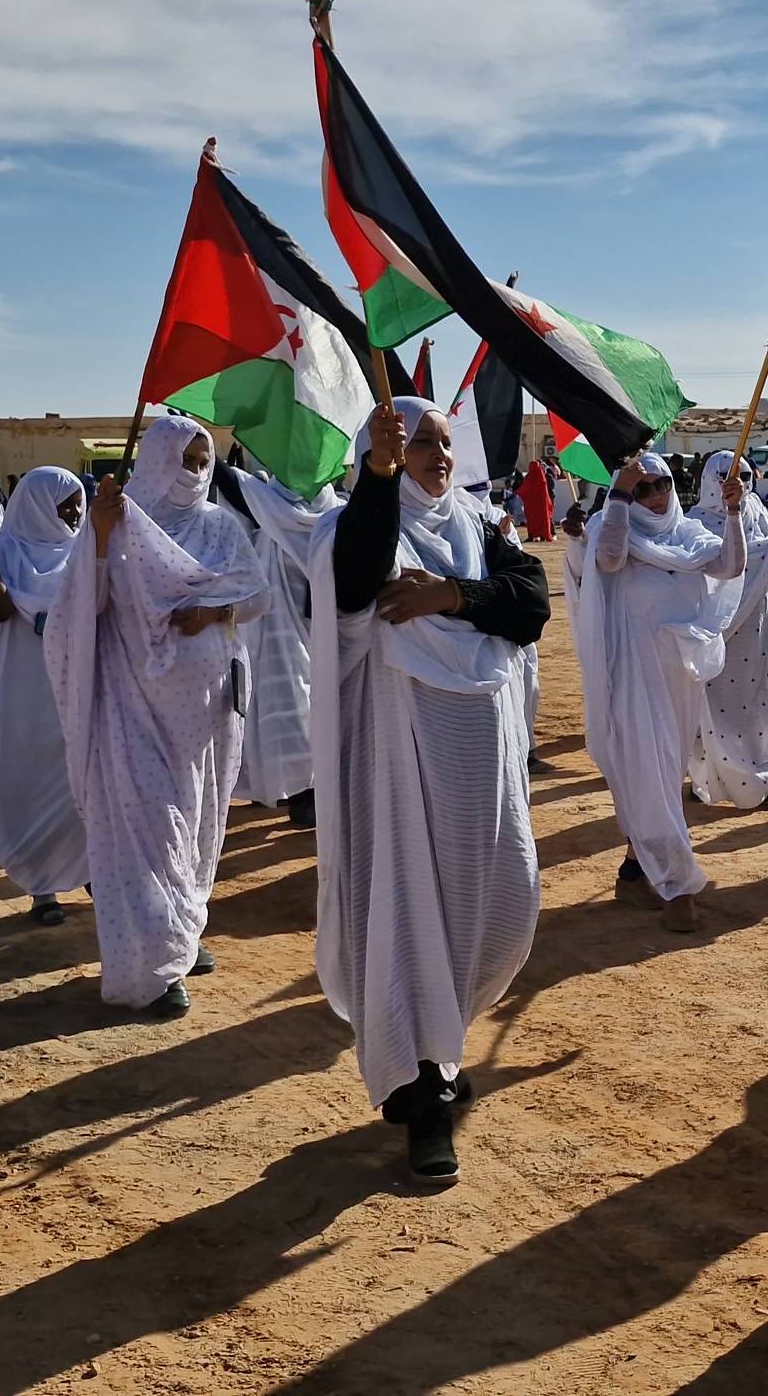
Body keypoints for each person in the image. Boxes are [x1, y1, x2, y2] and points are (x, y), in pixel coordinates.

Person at [312, 399, 550, 1184]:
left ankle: (438, 1044)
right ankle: (423, 1093)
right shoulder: (351, 526)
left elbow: (531, 604)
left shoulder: (478, 529)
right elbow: (355, 578)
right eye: (418, 444)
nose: (436, 455)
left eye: (444, 443)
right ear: (382, 452)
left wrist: (452, 597)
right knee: (410, 915)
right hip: (400, 763)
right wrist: (378, 479)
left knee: (504, 908)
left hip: (482, 765)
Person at [48, 415, 266, 1019]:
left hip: (207, 714)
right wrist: (96, 536)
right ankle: (153, 967)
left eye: (203, 462)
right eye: (185, 460)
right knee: (147, 827)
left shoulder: (222, 528)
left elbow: (257, 595)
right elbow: (76, 610)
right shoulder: (115, 527)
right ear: (155, 461)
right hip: (130, 705)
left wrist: (213, 612)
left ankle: (182, 931)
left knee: (197, 824)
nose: (194, 473)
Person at [576, 451, 745, 932]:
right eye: (642, 488)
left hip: (679, 678)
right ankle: (679, 886)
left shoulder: (689, 535)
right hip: (632, 677)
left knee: (663, 780)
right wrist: (618, 495)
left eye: (661, 484)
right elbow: (607, 558)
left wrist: (733, 511)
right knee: (647, 774)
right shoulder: (615, 530)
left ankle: (634, 872)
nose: (653, 496)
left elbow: (731, 565)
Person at [0, 467, 89, 923]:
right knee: (32, 778)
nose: (75, 514)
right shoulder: (7, 551)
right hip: (25, 685)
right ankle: (43, 887)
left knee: (82, 777)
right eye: (65, 505)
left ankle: (91, 870)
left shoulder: (85, 552)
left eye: (78, 503)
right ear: (37, 506)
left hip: (77, 683)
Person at [686, 451, 768, 811]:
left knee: (759, 703)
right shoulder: (695, 522)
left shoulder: (756, 516)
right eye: (724, 476)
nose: (734, 483)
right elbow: (711, 571)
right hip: (719, 630)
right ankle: (703, 779)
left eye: (742, 475)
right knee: (711, 707)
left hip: (758, 628)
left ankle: (763, 781)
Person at [226, 463, 336, 828]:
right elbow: (231, 482)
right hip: (276, 636)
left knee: (308, 712)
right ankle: (278, 786)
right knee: (279, 710)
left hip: (315, 636)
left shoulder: (332, 519)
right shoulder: (272, 514)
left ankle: (309, 791)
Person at [518, 455, 554, 543]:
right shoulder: (542, 478)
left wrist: (517, 492)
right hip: (541, 505)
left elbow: (524, 490)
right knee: (542, 520)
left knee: (532, 521)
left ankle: (533, 535)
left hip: (532, 506)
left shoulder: (530, 478)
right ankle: (542, 535)